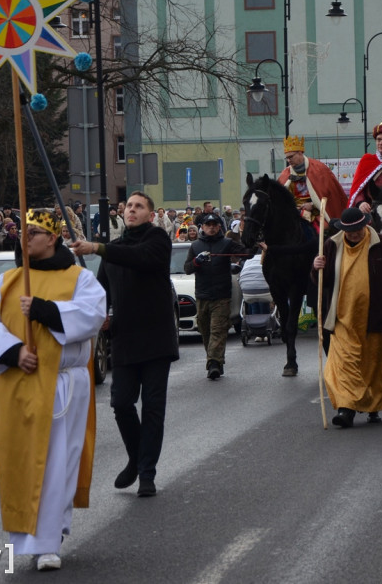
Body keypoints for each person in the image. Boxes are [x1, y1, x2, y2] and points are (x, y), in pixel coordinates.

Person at [0, 208, 106, 571]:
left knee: (56, 460)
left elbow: (93, 315)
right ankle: (27, 534)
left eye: (34, 232)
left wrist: (45, 310)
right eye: (23, 232)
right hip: (16, 384)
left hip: (62, 385)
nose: (25, 237)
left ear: (54, 238)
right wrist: (14, 352)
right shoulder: (8, 282)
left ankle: (48, 542)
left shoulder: (79, 278)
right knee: (14, 458)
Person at [71, 192, 179, 498]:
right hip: (125, 339)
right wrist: (99, 315)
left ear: (150, 213)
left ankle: (147, 473)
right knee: (120, 403)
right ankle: (136, 456)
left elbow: (142, 258)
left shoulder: (158, 239)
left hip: (157, 339)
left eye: (138, 207)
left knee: (154, 408)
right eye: (128, 206)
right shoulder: (114, 251)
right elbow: (99, 293)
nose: (131, 210)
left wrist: (97, 247)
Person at [312, 207, 382, 427]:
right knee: (344, 365)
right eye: (349, 231)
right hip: (342, 318)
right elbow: (320, 282)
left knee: (373, 364)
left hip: (374, 317)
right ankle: (346, 409)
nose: (354, 234)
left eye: (357, 230)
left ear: (365, 225)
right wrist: (316, 268)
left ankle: (373, 406)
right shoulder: (331, 245)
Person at [183, 212, 251, 379]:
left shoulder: (227, 243)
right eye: (208, 225)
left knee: (218, 330)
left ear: (219, 227)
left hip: (222, 296)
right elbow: (187, 268)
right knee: (205, 330)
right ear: (203, 228)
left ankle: (214, 362)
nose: (211, 227)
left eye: (214, 225)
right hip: (202, 295)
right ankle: (214, 359)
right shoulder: (195, 246)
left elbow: (246, 253)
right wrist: (196, 262)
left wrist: (253, 242)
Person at [278, 135, 348, 225]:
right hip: (294, 214)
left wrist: (312, 205)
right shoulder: (285, 174)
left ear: (300, 153)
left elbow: (329, 195)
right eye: (287, 158)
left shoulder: (319, 169)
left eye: (291, 157)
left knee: (323, 229)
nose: (289, 160)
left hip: (317, 213)